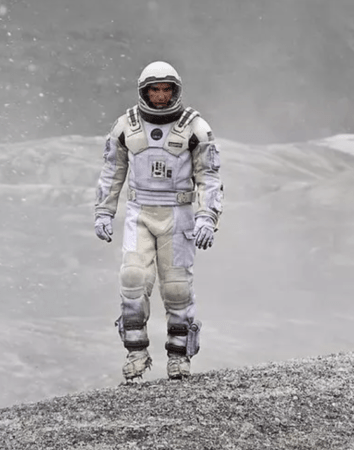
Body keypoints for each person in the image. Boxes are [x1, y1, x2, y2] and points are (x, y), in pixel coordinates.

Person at [93, 61, 223, 381]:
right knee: (133, 278)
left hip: (178, 215)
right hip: (140, 213)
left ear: (176, 91)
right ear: (144, 92)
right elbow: (112, 172)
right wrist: (104, 211)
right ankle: (136, 353)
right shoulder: (126, 126)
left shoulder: (195, 128)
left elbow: (209, 176)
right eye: (155, 90)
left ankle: (179, 357)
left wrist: (207, 216)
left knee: (177, 287)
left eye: (166, 90)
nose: (161, 96)